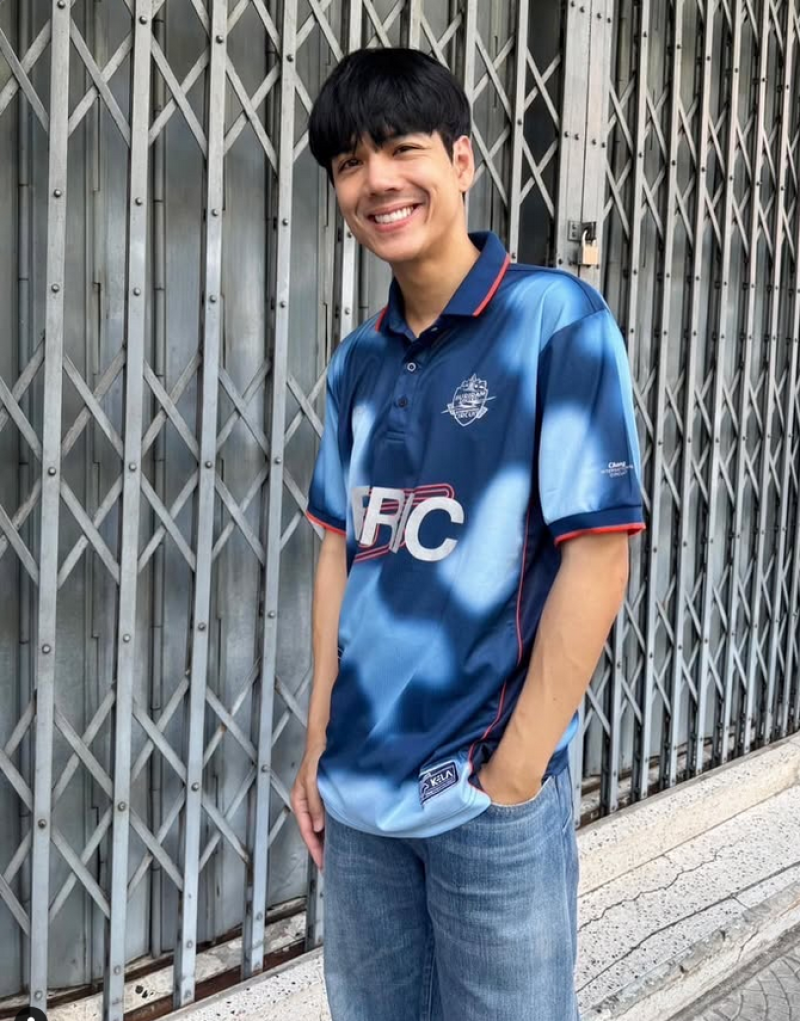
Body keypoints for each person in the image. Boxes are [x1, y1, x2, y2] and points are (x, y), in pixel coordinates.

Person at [290, 46, 644, 1021]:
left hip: (484, 800)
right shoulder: (360, 361)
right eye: (349, 164)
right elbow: (339, 549)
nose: (375, 181)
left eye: (400, 148)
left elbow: (598, 552)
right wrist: (318, 743)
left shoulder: (552, 320)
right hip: (360, 800)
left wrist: (515, 771)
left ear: (459, 160)